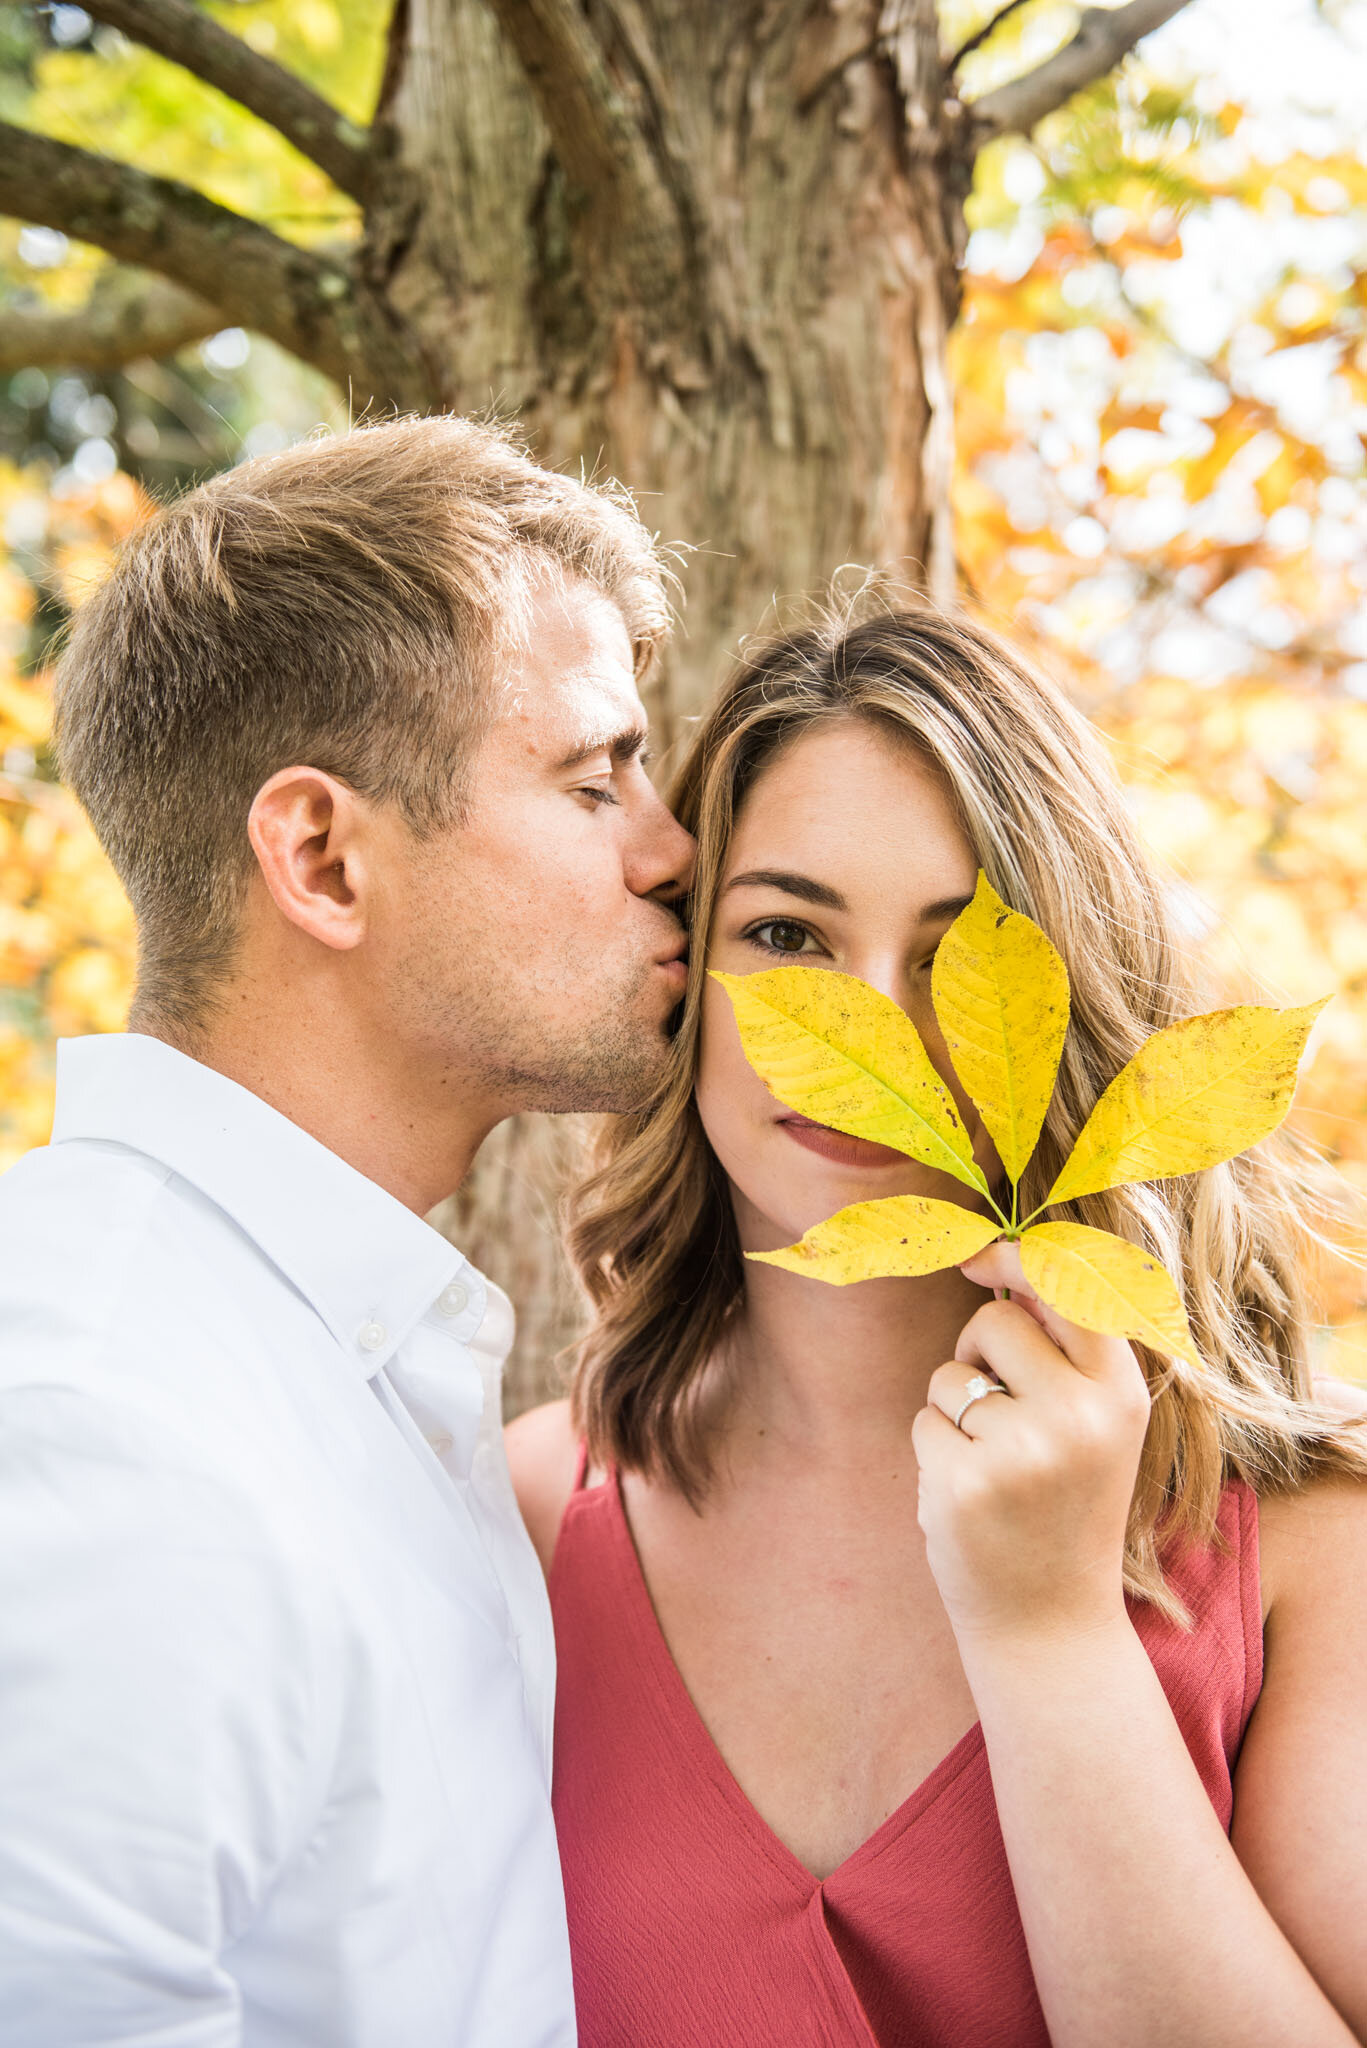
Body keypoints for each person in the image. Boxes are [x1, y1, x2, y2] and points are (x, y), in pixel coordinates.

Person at [508, 603, 1367, 2048]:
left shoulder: (1307, 1543)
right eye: (786, 932)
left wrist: (1047, 1632)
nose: (869, 1030)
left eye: (960, 950)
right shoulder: (531, 1510)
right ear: (681, 979)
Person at [0, 414, 694, 2046]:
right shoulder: (102, 1423)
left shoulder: (336, 1365)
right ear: (321, 855)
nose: (671, 853)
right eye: (596, 780)